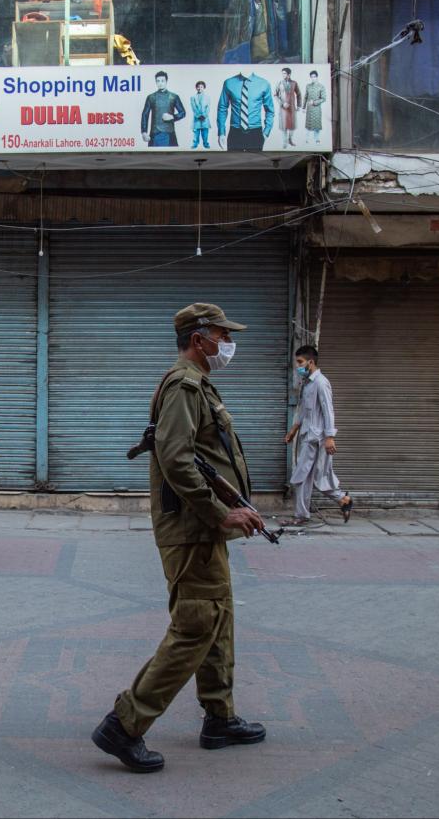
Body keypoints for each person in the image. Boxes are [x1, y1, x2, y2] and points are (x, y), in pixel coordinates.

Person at [92, 303, 267, 773]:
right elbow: (176, 458)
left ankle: (219, 717)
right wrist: (220, 515)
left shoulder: (197, 386)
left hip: (203, 527)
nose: (227, 344)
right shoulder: (185, 385)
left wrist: (233, 508)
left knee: (217, 618)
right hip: (192, 529)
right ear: (199, 338)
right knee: (194, 626)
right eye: (221, 335)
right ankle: (124, 725)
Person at [284, 345, 354, 526]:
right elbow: (305, 411)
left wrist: (330, 436)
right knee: (312, 477)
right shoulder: (308, 383)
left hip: (316, 438)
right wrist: (294, 429)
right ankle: (342, 500)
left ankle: (301, 516)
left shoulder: (321, 383)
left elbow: (328, 411)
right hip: (309, 436)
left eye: (300, 362)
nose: (297, 366)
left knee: (301, 477)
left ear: (311, 362)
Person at [216, 70, 274, 151]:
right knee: (233, 162)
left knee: (256, 163)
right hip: (235, 132)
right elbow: (222, 108)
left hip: (256, 132)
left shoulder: (264, 84)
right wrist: (221, 132)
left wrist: (266, 132)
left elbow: (270, 110)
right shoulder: (229, 83)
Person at [140, 71, 186, 147]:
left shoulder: (174, 97)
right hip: (155, 134)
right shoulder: (151, 97)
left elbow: (183, 112)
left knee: (172, 157)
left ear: (166, 81)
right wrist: (144, 132)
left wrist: (173, 117)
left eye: (162, 81)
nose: (160, 83)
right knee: (154, 158)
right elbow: (145, 115)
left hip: (169, 133)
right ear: (156, 82)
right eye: (158, 81)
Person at [275, 67, 302, 147]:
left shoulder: (294, 83)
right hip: (283, 108)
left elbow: (299, 94)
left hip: (292, 107)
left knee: (292, 126)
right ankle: (284, 142)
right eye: (282, 73)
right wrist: (282, 103)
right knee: (284, 126)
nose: (283, 75)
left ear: (289, 74)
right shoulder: (279, 83)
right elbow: (275, 95)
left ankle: (290, 139)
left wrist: (299, 105)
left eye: (285, 73)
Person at [304, 70, 327, 144]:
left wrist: (314, 102)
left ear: (317, 77)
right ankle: (306, 139)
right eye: (311, 77)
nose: (313, 78)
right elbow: (305, 96)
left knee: (316, 125)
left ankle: (317, 139)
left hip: (317, 109)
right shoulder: (308, 86)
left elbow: (323, 98)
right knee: (308, 125)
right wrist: (303, 107)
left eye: (314, 77)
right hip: (309, 109)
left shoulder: (321, 86)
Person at [189, 81, 211, 149]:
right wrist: (198, 115)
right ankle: (195, 144)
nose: (199, 88)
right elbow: (193, 107)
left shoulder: (207, 97)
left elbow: (208, 107)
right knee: (196, 133)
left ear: (204, 87)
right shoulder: (193, 97)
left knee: (205, 133)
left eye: (201, 87)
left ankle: (206, 144)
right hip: (197, 118)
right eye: (198, 87)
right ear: (196, 88)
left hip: (205, 119)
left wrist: (204, 115)